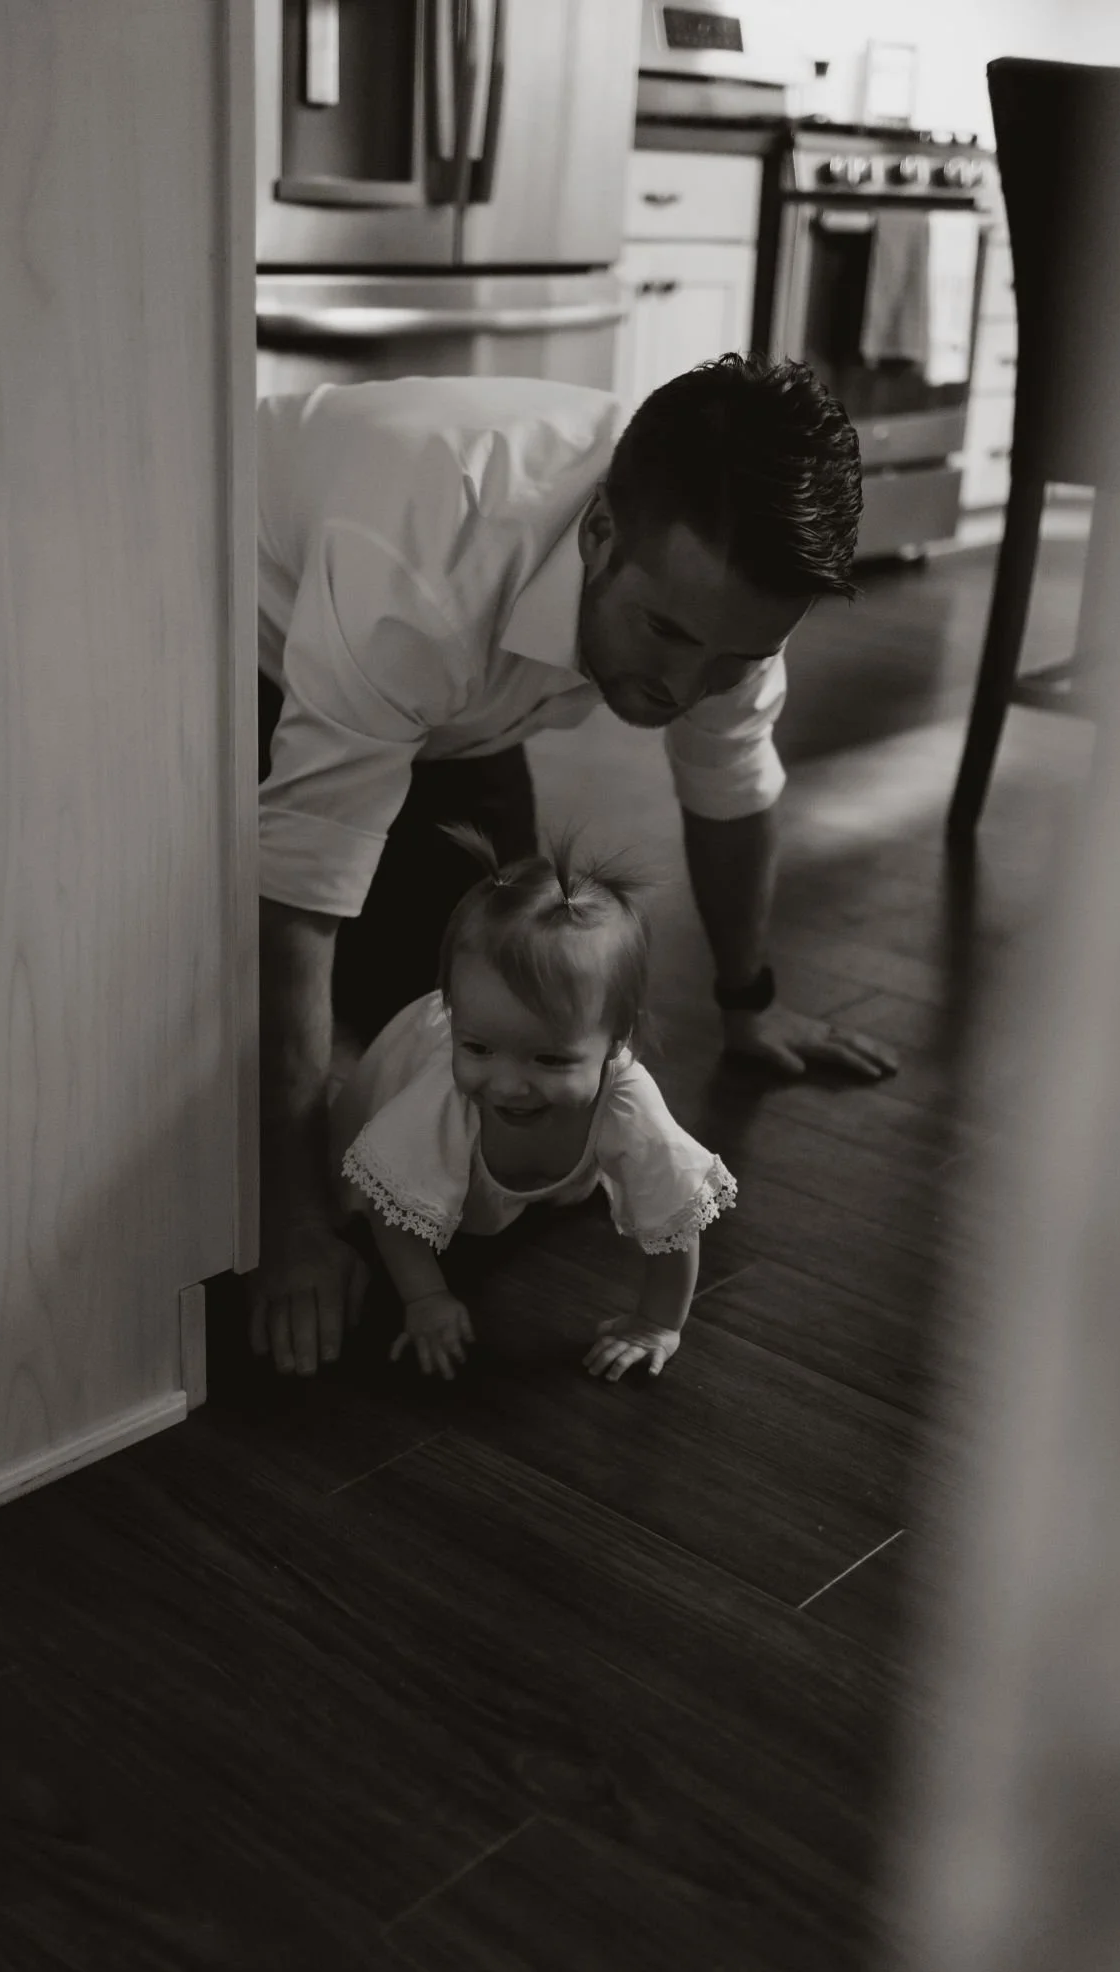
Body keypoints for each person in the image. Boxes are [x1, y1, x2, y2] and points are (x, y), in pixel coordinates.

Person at [252, 352, 897, 1377]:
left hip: (461, 714)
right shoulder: (419, 559)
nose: (689, 686)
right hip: (252, 642)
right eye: (667, 633)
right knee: (263, 1034)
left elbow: (728, 782)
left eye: (731, 661)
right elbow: (295, 896)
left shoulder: (727, 597)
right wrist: (285, 1226)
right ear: (599, 533)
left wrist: (749, 1001)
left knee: (500, 1005)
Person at [330, 827, 735, 1385]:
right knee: (371, 1178)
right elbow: (384, 1202)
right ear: (453, 1013)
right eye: (476, 1046)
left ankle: (546, 1178)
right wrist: (426, 1297)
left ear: (618, 1042)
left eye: (548, 1060)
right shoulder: (438, 1093)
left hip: (547, 1135)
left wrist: (656, 1323)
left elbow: (676, 1218)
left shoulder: (626, 1101)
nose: (507, 1084)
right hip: (424, 1100)